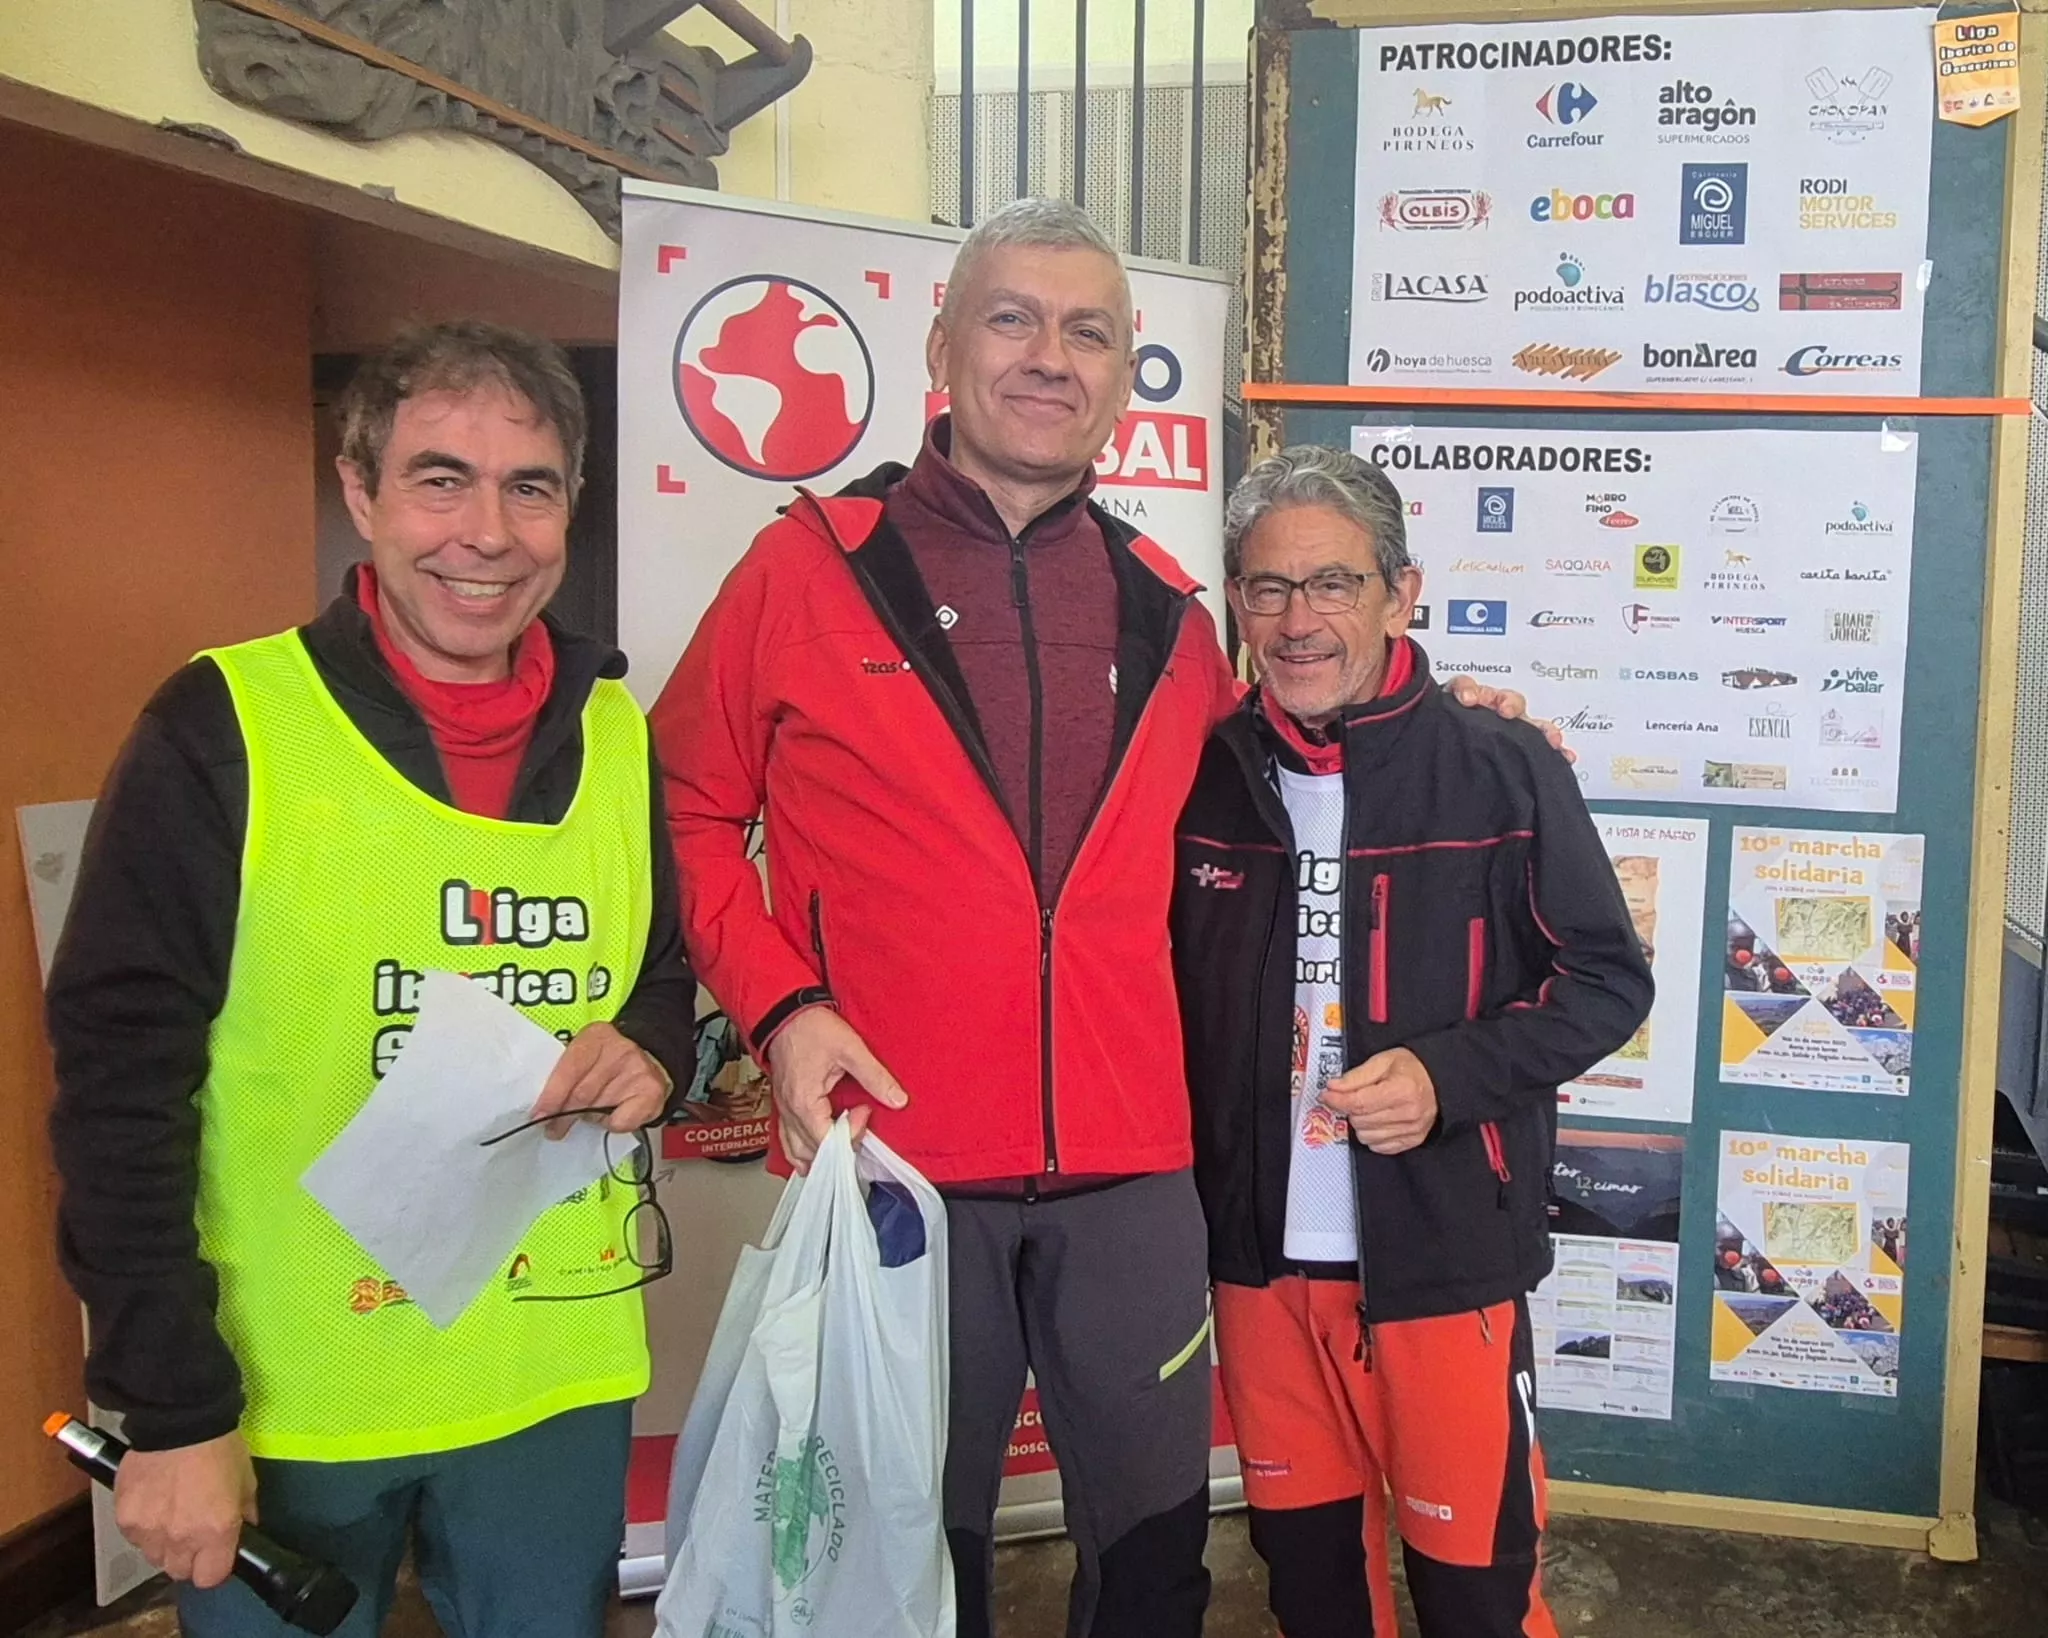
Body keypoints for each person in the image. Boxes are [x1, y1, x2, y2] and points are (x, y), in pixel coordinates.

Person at [652, 198, 1548, 1638]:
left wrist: (1452, 723)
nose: (1048, 357)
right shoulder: (806, 566)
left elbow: (1303, 753)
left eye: (1089, 331)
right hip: (902, 1167)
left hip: (1138, 1175)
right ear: (942, 344)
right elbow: (685, 806)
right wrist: (780, 1003)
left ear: (1131, 372)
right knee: (898, 1573)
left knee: (1150, 1572)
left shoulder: (1175, 613)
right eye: (1012, 317)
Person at [47, 322, 696, 1638]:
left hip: (551, 1381)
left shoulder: (619, 733)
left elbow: (662, 971)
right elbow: (119, 1093)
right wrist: (171, 1406)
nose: (488, 531)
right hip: (296, 1390)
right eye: (440, 477)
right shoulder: (223, 729)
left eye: (532, 486)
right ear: (363, 494)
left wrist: (652, 1046)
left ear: (573, 507)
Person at [1169, 446, 1653, 1638]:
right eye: (1266, 588)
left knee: (1474, 1596)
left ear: (1401, 592)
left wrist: (1447, 1077)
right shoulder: (1201, 774)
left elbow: (1604, 982)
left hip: (1440, 1267)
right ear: (1236, 603)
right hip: (1258, 1271)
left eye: (1331, 584)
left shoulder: (1500, 764)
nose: (1297, 620)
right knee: (1315, 1591)